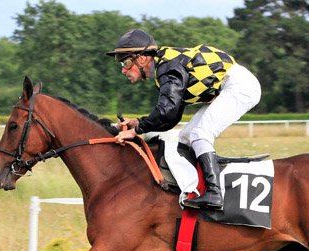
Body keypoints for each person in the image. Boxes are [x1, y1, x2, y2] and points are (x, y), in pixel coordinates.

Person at [107, 29, 261, 210]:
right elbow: (171, 117)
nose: (123, 70)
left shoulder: (168, 67)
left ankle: (214, 193)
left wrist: (135, 131)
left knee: (200, 134)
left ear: (141, 58)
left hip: (240, 86)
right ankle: (195, 187)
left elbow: (167, 111)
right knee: (186, 137)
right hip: (228, 87)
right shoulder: (165, 68)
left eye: (125, 62)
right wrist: (139, 123)